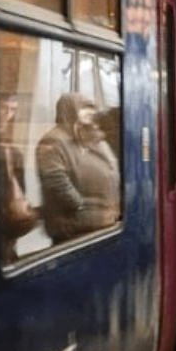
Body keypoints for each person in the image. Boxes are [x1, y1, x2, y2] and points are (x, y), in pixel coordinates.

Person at [37, 92, 120, 244]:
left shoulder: (94, 138)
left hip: (103, 226)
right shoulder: (54, 140)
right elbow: (55, 180)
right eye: (84, 107)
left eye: (91, 108)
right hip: (74, 231)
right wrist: (80, 206)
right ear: (69, 109)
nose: (90, 112)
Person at [0, 93, 38, 259]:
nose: (8, 115)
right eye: (3, 108)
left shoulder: (15, 154)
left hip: (7, 240)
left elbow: (20, 193)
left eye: (13, 110)